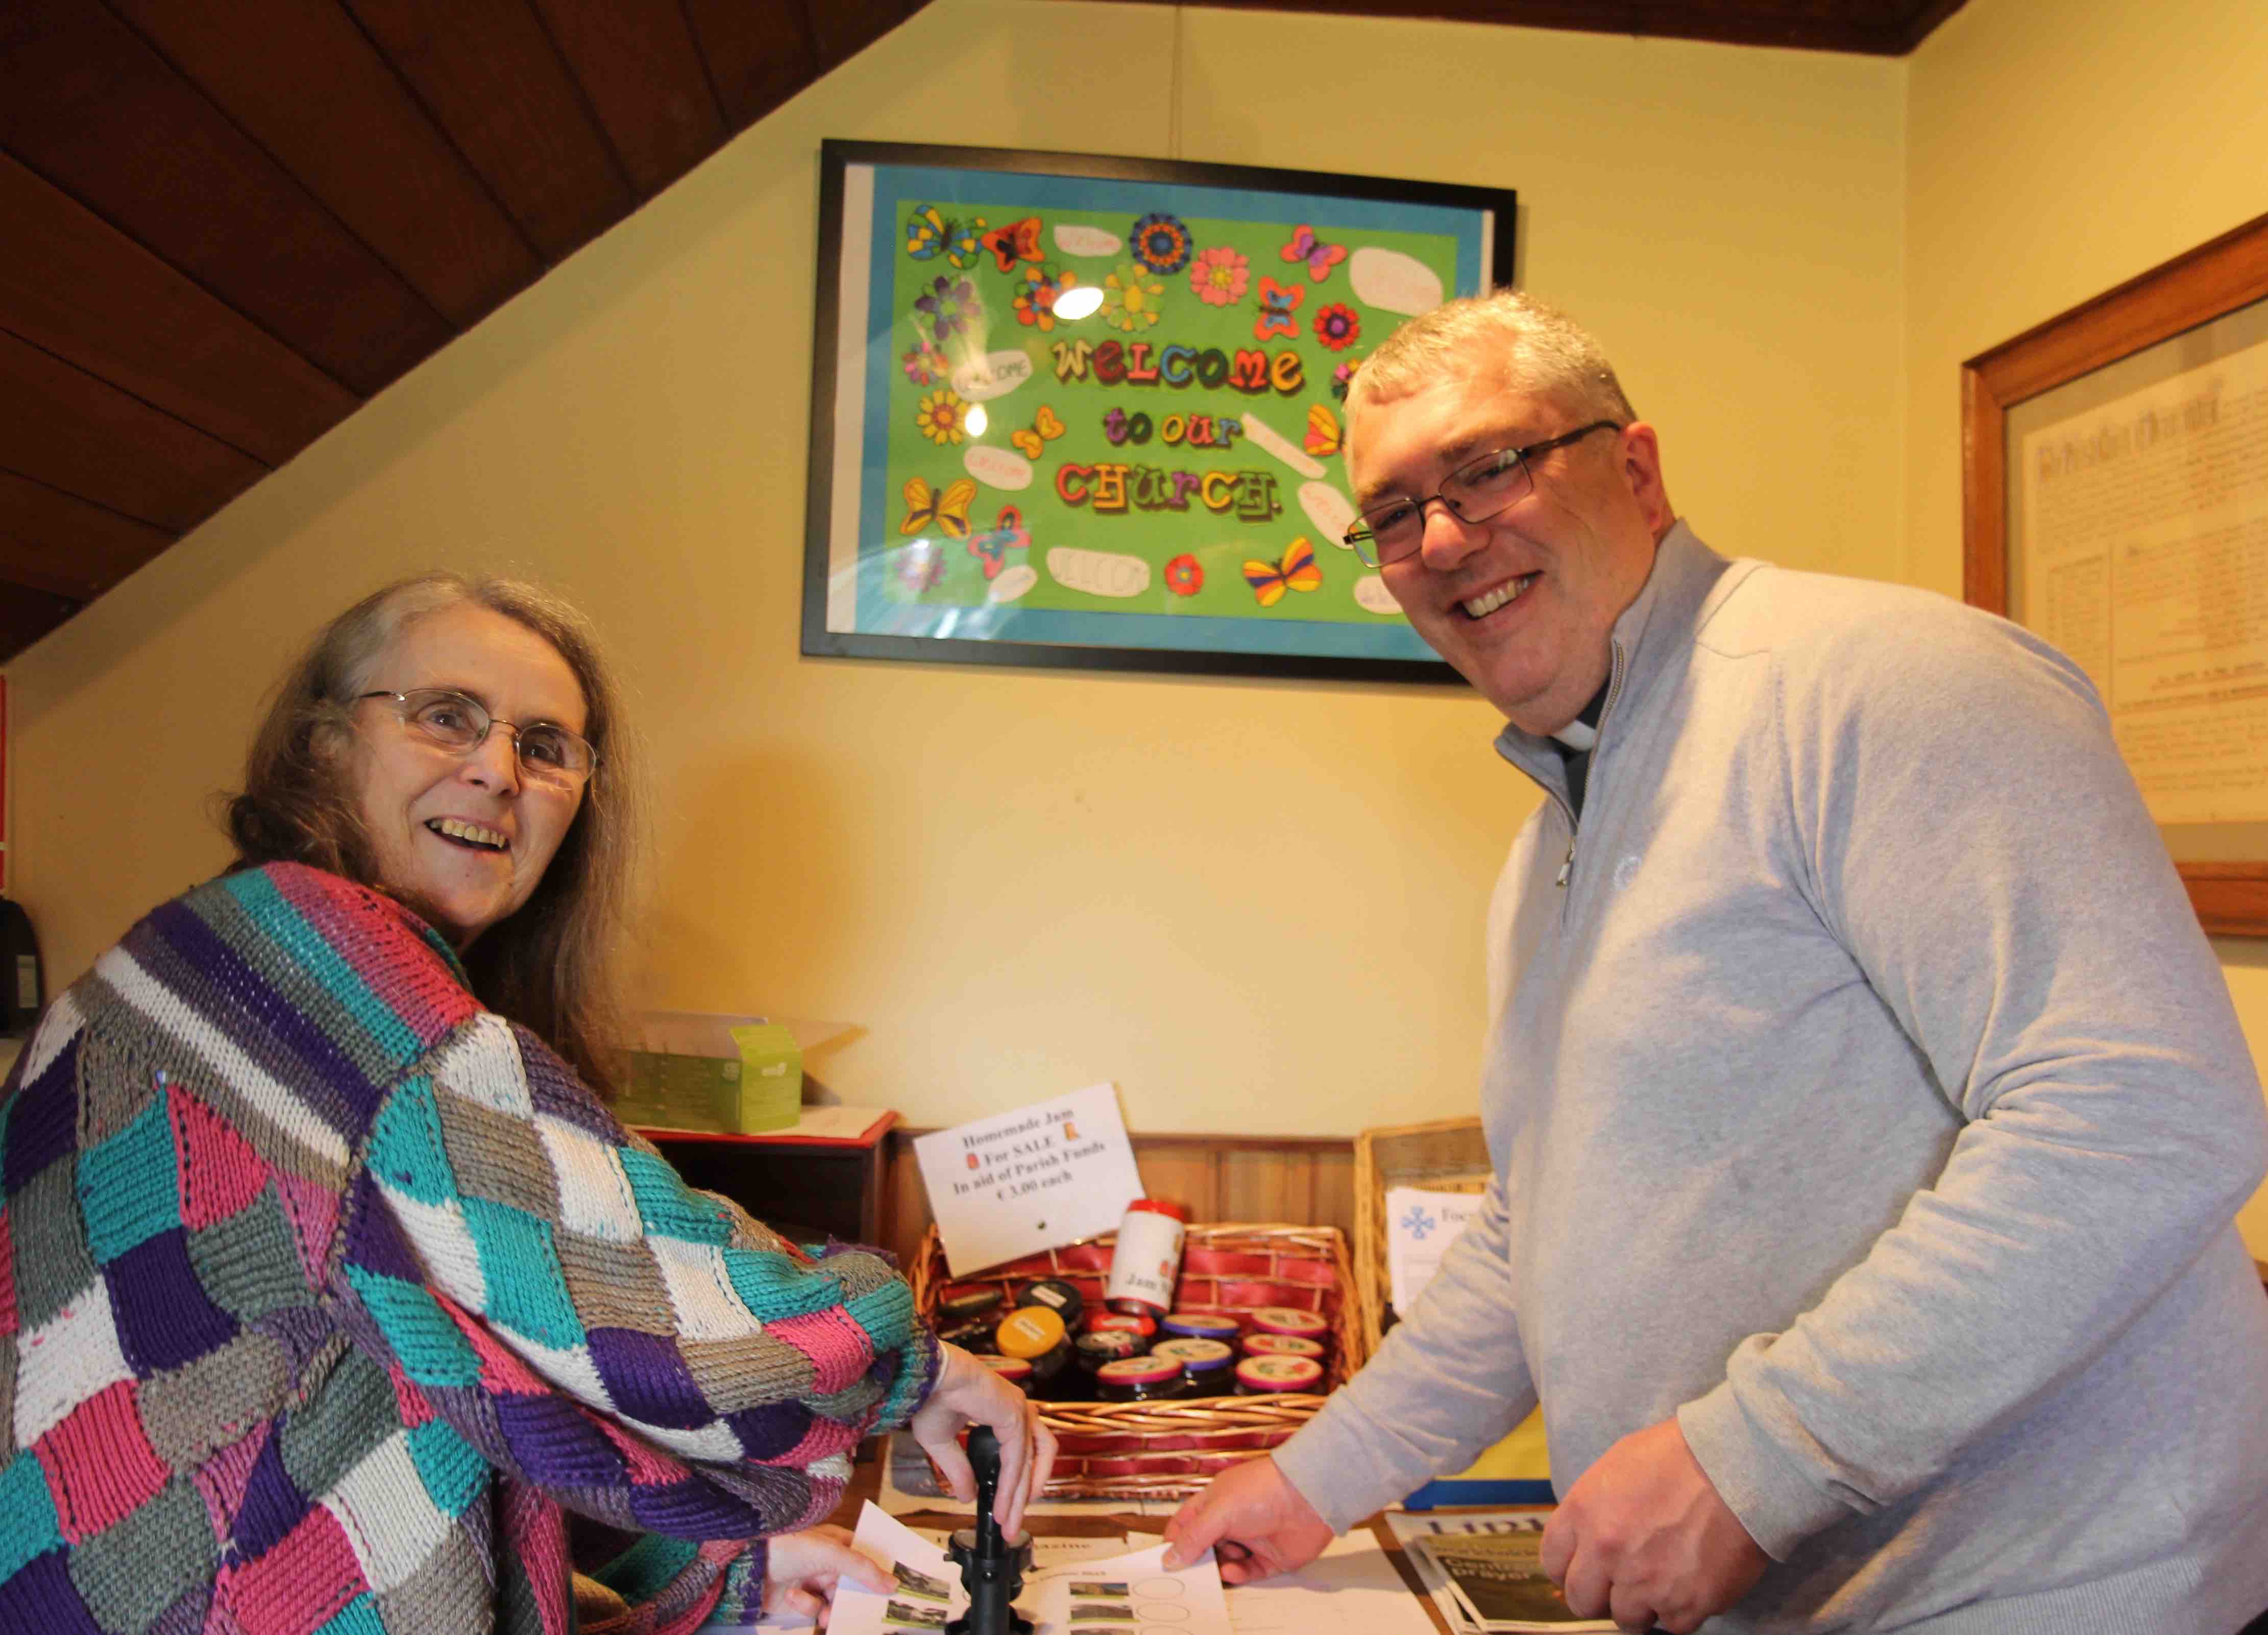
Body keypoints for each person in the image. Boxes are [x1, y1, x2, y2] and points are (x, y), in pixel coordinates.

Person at [1162, 292, 2268, 1634]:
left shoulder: (1878, 678)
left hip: (2055, 1590)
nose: (1443, 538)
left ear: (1632, 467)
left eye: (1490, 466)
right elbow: (1538, 1230)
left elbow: (2144, 1115)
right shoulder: (1547, 851)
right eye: (1392, 514)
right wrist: (1312, 1478)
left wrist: (1752, 1458)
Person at [0, 574, 1054, 1633]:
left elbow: (470, 1391)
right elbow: (638, 1299)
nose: (497, 771)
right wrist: (917, 1367)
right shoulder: (303, 952)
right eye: (444, 715)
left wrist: (727, 1575)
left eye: (546, 746)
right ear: (323, 745)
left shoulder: (231, 955)